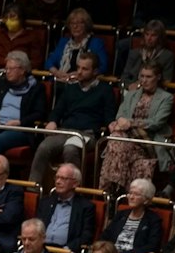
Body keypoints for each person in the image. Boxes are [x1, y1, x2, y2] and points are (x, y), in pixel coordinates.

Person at [30, 52, 115, 187]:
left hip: (88, 133)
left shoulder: (105, 90)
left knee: (70, 149)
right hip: (65, 130)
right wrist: (52, 121)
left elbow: (109, 116)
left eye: (85, 69)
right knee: (44, 146)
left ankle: (74, 189)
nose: (79, 72)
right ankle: (33, 188)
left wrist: (112, 124)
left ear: (95, 71)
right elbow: (58, 110)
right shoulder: (71, 87)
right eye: (78, 67)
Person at [98, 69, 171, 194]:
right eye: (141, 76)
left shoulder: (166, 97)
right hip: (127, 137)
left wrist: (131, 123)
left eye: (148, 76)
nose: (144, 80)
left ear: (158, 77)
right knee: (117, 138)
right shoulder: (132, 94)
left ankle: (110, 191)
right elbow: (120, 114)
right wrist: (119, 121)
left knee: (116, 142)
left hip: (148, 140)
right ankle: (116, 191)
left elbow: (157, 122)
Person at [0, 56, 49, 165]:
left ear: (22, 70)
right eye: (6, 68)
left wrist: (19, 122)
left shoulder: (36, 88)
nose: (7, 72)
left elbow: (39, 113)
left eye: (11, 69)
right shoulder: (2, 84)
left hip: (20, 129)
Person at [32, 165, 97, 253]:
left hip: (66, 252)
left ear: (75, 183)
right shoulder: (46, 202)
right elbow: (36, 227)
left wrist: (65, 250)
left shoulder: (86, 207)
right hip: (40, 249)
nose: (58, 182)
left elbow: (86, 236)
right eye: (57, 177)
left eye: (63, 178)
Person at [99, 181, 167, 253]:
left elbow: (152, 246)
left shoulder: (153, 220)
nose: (131, 197)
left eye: (136, 194)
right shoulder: (121, 215)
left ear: (146, 199)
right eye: (130, 193)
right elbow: (105, 236)